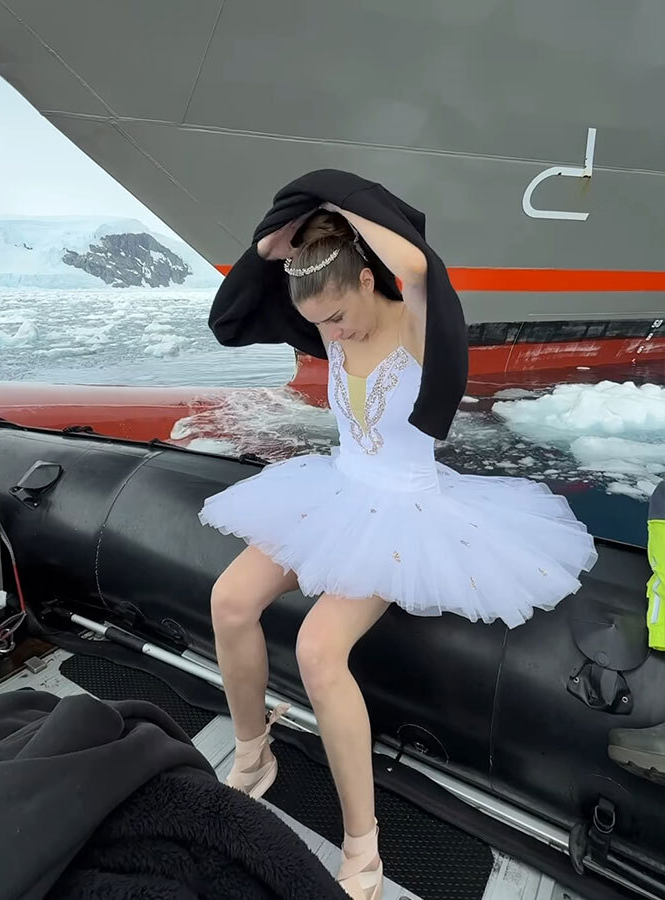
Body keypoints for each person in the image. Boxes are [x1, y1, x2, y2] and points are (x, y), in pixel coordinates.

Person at [199, 204, 598, 900]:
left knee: (320, 650)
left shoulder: (413, 321)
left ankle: (363, 843)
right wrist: (283, 237)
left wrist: (341, 205)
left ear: (365, 278)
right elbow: (248, 285)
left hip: (403, 510)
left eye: (337, 317)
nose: (331, 334)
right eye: (320, 324)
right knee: (228, 600)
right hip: (335, 490)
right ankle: (254, 751)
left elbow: (415, 265)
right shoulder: (333, 320)